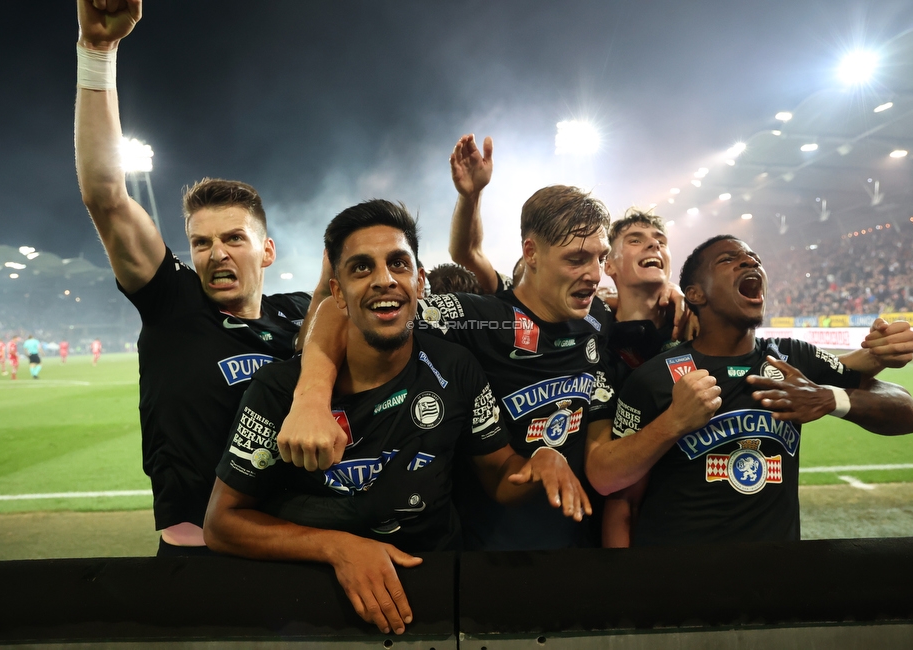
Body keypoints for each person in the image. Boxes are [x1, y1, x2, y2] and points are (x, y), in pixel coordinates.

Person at [205, 200, 584, 635]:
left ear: (420, 282)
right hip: (319, 607)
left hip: (437, 597)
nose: (384, 280)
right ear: (338, 292)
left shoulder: (455, 367)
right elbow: (222, 524)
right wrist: (338, 548)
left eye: (398, 264)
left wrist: (540, 464)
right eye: (361, 268)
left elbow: (499, 474)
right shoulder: (279, 391)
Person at [75, 0, 311, 555]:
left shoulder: (301, 316)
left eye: (233, 238)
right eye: (201, 242)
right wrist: (98, 54)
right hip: (196, 556)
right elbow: (105, 197)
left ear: (267, 251)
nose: (214, 254)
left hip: (294, 547)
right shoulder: (175, 305)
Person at [594, 235, 913, 546]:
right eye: (729, 259)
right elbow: (622, 499)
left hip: (776, 585)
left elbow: (912, 413)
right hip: (684, 586)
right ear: (695, 294)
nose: (749, 262)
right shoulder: (655, 377)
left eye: (754, 258)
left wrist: (829, 398)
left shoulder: (794, 359)